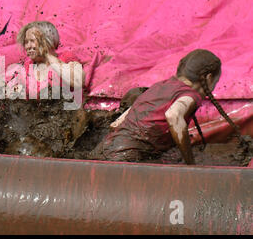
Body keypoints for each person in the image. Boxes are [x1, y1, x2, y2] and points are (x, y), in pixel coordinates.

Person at [91, 49, 231, 165]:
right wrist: (190, 162)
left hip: (104, 147)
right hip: (125, 156)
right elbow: (173, 115)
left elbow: (116, 123)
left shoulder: (159, 87)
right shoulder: (189, 96)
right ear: (209, 78)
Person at [8, 21, 85, 104]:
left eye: (33, 41)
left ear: (47, 40)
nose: (28, 46)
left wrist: (46, 54)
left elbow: (78, 81)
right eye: (26, 42)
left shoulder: (66, 58)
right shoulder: (25, 68)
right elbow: (10, 95)